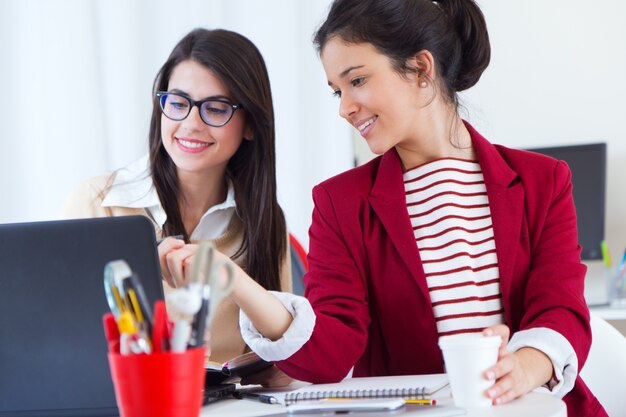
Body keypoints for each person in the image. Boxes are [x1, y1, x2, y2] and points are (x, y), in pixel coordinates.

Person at [166, 0, 605, 415]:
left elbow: (560, 307)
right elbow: (329, 355)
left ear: (420, 68)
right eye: (336, 90)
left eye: (356, 81)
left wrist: (526, 364)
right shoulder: (340, 203)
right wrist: (237, 283)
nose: (344, 108)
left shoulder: (542, 180)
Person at [62, 28, 292, 364]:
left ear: (251, 125)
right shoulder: (99, 203)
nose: (191, 123)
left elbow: (287, 345)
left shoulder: (262, 219)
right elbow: (61, 338)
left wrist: (231, 276)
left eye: (215, 108)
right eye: (178, 103)